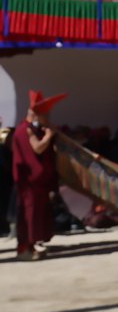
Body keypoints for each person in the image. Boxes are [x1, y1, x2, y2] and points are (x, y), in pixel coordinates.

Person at [11, 90, 66, 261]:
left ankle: (31, 246)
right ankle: (24, 250)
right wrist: (49, 135)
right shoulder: (24, 130)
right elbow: (37, 148)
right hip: (29, 181)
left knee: (36, 214)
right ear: (35, 114)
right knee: (29, 214)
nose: (47, 117)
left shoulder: (32, 129)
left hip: (36, 182)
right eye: (45, 114)